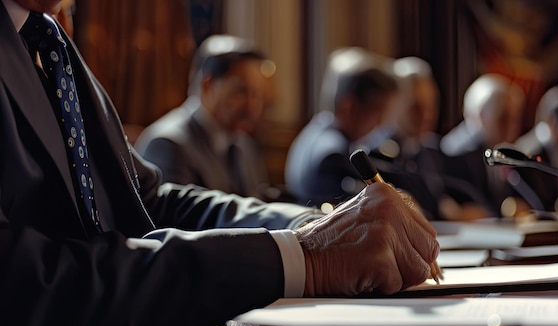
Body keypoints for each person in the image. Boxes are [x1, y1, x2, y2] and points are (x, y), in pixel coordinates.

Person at [0, 0, 439, 326]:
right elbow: (28, 289)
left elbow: (148, 202)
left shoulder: (47, 37)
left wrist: (317, 229)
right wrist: (306, 256)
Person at [134, 35, 272, 199]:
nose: (252, 106)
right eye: (241, 91)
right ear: (208, 85)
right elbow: (180, 219)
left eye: (256, 95)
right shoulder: (167, 145)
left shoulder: (243, 144)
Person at [285, 47, 400, 207]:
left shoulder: (315, 133)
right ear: (349, 107)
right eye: (376, 110)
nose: (381, 122)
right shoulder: (333, 155)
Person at [366, 56, 445, 219]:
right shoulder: (374, 153)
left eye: (431, 106)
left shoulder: (430, 149)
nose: (426, 116)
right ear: (394, 103)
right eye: (416, 107)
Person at [438, 73, 525, 219]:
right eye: (503, 118)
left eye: (514, 119)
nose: (511, 127)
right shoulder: (457, 153)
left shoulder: (501, 151)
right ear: (480, 116)